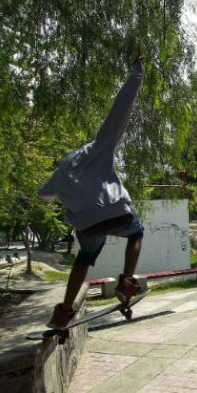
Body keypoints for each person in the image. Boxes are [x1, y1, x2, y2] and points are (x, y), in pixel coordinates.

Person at [39, 49, 146, 329]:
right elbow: (120, 110)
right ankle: (126, 282)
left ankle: (63, 312)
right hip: (114, 211)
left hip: (84, 223)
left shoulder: (62, 169)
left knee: (83, 258)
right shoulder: (98, 147)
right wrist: (137, 73)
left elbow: (45, 195)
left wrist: (61, 194)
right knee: (137, 232)